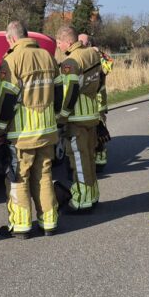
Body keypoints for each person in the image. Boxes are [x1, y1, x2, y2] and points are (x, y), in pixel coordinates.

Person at [0, 20, 63, 238]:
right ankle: (49, 223)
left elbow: (6, 99)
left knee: (18, 178)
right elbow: (59, 91)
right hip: (47, 131)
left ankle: (21, 226)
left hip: (21, 134)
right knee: (44, 176)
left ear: (12, 38)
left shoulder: (12, 60)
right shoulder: (48, 57)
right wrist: (56, 117)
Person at [55, 25, 104, 212]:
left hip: (77, 118)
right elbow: (101, 81)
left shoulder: (71, 62)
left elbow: (69, 93)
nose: (58, 47)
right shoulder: (92, 54)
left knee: (79, 161)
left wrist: (62, 117)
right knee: (89, 158)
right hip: (92, 114)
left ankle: (81, 201)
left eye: (59, 43)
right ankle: (92, 195)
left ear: (68, 41)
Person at [79, 33, 113, 169]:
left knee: (99, 135)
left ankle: (100, 161)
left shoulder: (97, 57)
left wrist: (100, 52)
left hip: (98, 103)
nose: (82, 45)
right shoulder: (77, 57)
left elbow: (109, 64)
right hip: (83, 103)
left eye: (85, 43)